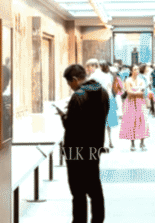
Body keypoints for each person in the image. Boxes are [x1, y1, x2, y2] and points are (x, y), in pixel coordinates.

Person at [58, 64, 108, 223]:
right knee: (95, 189)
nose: (70, 87)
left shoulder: (77, 96)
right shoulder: (102, 92)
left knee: (78, 192)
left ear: (74, 80)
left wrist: (63, 116)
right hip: (94, 147)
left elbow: (71, 126)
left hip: (76, 151)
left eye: (69, 83)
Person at [118, 64, 150, 151]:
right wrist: (137, 91)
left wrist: (134, 91)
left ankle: (142, 143)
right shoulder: (128, 80)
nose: (137, 71)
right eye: (135, 69)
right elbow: (129, 92)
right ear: (131, 71)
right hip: (130, 103)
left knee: (142, 121)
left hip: (140, 102)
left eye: (138, 69)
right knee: (131, 122)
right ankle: (132, 143)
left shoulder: (141, 80)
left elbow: (142, 92)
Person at [89, 60, 118, 148]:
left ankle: (103, 142)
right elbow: (110, 87)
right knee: (109, 123)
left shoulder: (94, 75)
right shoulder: (108, 75)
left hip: (99, 99)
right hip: (109, 98)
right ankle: (110, 141)